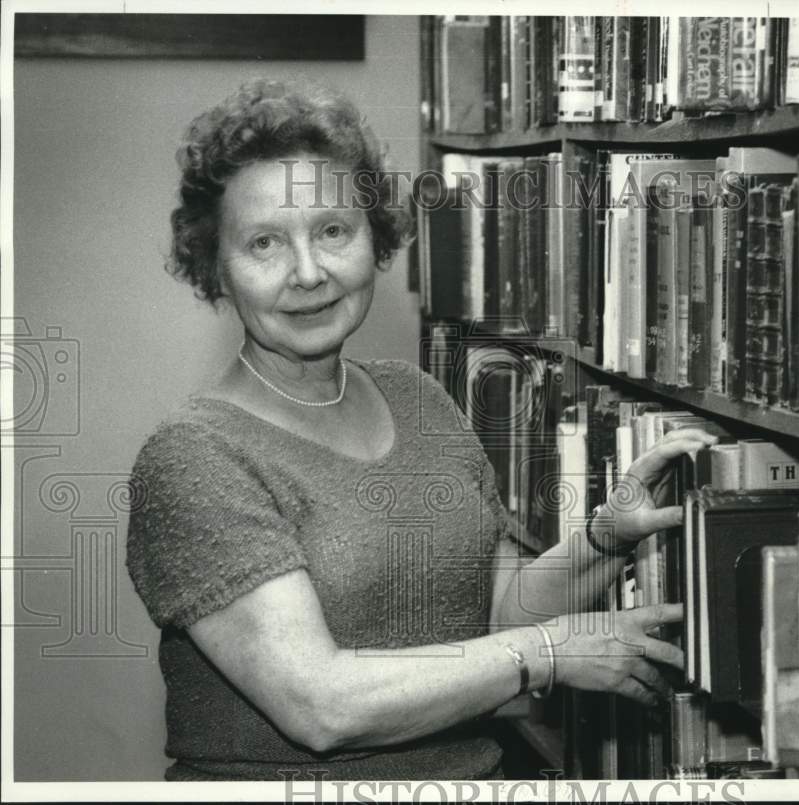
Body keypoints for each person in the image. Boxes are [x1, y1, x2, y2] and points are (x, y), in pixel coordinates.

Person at [125, 79, 718, 782]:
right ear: (215, 270)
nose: (309, 272)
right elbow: (320, 703)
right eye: (264, 244)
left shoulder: (418, 398)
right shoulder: (194, 456)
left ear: (375, 238)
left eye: (333, 231)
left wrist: (601, 541)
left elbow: (496, 614)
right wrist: (548, 652)